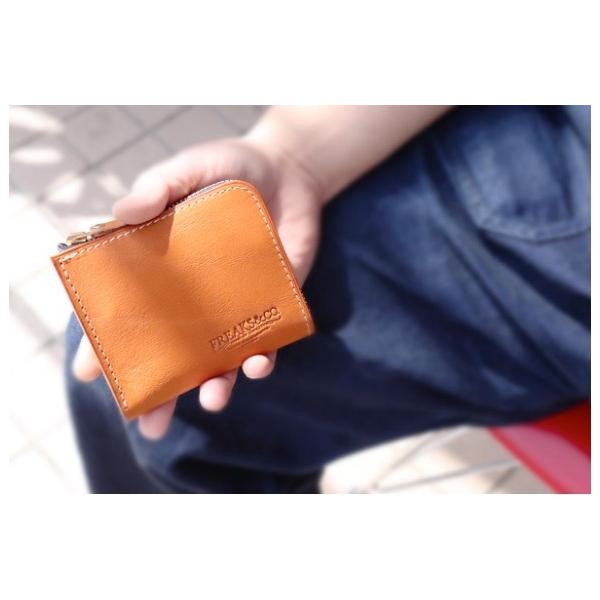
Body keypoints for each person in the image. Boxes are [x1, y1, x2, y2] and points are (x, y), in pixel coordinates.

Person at [65, 105, 591, 493]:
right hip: (540, 151)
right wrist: (294, 154)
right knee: (126, 354)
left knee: (162, 389)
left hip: (558, 288)